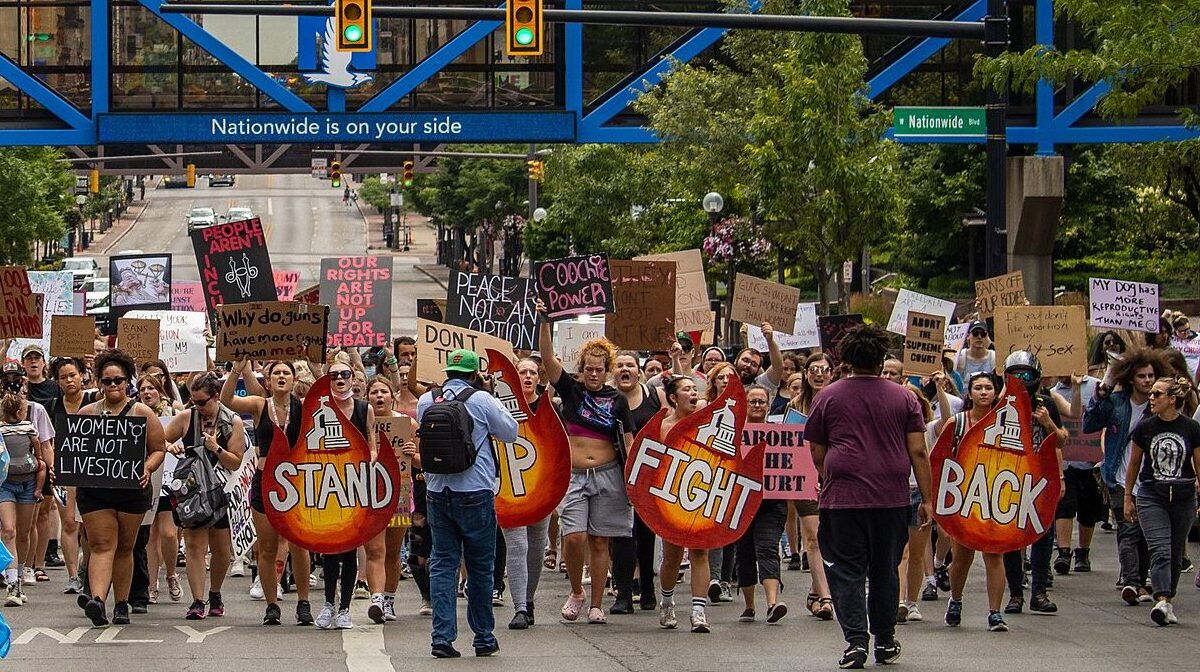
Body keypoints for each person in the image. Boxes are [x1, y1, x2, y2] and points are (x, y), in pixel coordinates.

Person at [805, 325, 932, 669]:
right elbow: (918, 451)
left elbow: (816, 449)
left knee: (846, 570)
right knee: (885, 569)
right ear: (881, 360)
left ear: (846, 360)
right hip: (890, 497)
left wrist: (830, 475)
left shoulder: (827, 397)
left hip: (843, 497)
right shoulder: (904, 397)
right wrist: (928, 499)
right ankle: (885, 639)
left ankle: (856, 641)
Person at [417, 349, 518, 658]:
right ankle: (483, 637)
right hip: (475, 491)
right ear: (475, 374)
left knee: (443, 563)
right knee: (480, 567)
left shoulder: (427, 400)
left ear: (447, 372)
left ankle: (442, 638)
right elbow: (510, 432)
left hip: (437, 490)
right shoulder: (482, 400)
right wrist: (488, 392)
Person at [536, 316, 635, 626]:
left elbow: (628, 442)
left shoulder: (617, 400)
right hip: (575, 476)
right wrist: (545, 323)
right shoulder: (571, 390)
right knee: (574, 538)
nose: (593, 374)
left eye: (599, 370)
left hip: (608, 474)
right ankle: (577, 591)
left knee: (600, 541)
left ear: (607, 371)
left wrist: (634, 478)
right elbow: (548, 359)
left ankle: (596, 604)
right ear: (581, 369)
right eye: (589, 369)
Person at [221, 359, 315, 625]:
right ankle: (272, 604)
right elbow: (226, 401)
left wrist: (317, 367)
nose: (282, 377)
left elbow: (329, 399)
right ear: (268, 381)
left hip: (296, 482)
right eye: (277, 373)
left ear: (294, 380)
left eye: (286, 373)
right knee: (267, 547)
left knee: (298, 544)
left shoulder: (303, 406)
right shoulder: (259, 404)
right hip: (265, 480)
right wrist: (237, 370)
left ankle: (304, 602)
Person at [77, 349, 166, 627]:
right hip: (95, 489)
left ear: (128, 381)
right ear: (99, 383)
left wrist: (147, 467)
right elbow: (73, 449)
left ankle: (122, 603)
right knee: (101, 544)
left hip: (132, 489)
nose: (113, 385)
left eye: (118, 380)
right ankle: (98, 600)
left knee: (125, 546)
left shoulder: (143, 412)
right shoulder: (87, 413)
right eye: (107, 381)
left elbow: (158, 449)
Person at [1084, 349, 1164, 605]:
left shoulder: (1160, 404)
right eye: (1142, 376)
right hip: (1119, 477)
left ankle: (1139, 578)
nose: (1147, 380)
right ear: (1131, 378)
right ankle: (1131, 581)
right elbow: (1089, 423)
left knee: (1145, 532)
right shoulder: (1117, 401)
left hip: (1151, 479)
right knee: (1128, 529)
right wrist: (1102, 392)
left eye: (1151, 375)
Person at [163, 373, 246, 620]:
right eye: (193, 401)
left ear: (216, 397)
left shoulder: (232, 422)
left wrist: (216, 448)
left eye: (202, 402)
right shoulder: (186, 418)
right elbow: (159, 439)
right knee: (194, 546)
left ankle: (215, 593)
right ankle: (198, 600)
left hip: (221, 491)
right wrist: (170, 446)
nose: (197, 406)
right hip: (193, 493)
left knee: (221, 548)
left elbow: (235, 462)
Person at [934, 371, 1011, 632]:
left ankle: (995, 613)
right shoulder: (957, 423)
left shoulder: (1006, 424)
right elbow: (940, 462)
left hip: (995, 498)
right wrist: (942, 505)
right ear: (970, 393)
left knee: (994, 554)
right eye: (978, 387)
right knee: (961, 558)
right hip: (963, 498)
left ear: (995, 392)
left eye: (988, 387)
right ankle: (955, 600)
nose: (983, 392)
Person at [1125, 376, 1200, 625]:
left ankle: (1167, 600)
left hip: (1183, 496)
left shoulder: (1191, 428)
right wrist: (1128, 497)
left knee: (1176, 553)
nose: (1151, 398)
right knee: (1160, 549)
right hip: (1151, 494)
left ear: (1172, 399)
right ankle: (1162, 598)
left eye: (1157, 394)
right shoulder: (1144, 428)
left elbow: (1199, 465)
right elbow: (1134, 464)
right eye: (1151, 393)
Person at [999, 351, 1067, 615]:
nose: (1021, 381)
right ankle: (1015, 593)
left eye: (1025, 375)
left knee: (1042, 535)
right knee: (1011, 539)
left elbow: (1061, 441)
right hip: (1010, 478)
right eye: (1015, 375)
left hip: (1040, 479)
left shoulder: (1045, 404)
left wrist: (1048, 423)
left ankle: (1039, 592)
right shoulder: (1000, 404)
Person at [316, 360, 376, 630]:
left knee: (350, 547)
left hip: (354, 486)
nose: (340, 379)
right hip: (326, 486)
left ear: (353, 378)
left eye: (344, 374)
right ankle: (328, 603)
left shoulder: (364, 409)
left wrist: (368, 460)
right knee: (330, 546)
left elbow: (372, 446)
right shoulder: (320, 409)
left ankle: (344, 609)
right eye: (334, 375)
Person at [652, 375, 715, 633]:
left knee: (700, 552)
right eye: (686, 389)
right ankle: (667, 602)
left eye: (694, 389)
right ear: (673, 397)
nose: (693, 393)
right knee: (672, 557)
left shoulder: (707, 423)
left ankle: (698, 612)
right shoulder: (662, 426)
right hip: (671, 497)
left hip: (701, 495)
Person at [610, 350, 666, 615]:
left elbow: (668, 426)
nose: (625, 369)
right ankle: (623, 592)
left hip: (649, 474)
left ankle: (647, 587)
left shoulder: (655, 396)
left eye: (630, 365)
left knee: (646, 533)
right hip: (614, 472)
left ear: (639, 371)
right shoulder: (607, 399)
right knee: (622, 534)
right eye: (620, 365)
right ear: (613, 372)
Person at [502, 358, 552, 629]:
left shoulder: (548, 407)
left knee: (536, 546)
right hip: (510, 487)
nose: (528, 376)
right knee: (517, 545)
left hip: (541, 486)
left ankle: (528, 600)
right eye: (522, 372)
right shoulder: (501, 407)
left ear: (539, 378)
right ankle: (520, 607)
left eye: (533, 372)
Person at [366, 376, 417, 623]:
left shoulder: (408, 424)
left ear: (392, 396)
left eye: (383, 391)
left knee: (393, 551)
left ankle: (388, 599)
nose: (379, 396)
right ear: (367, 397)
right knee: (375, 549)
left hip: (401, 493)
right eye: (374, 392)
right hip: (370, 493)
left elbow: (423, 462)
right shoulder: (360, 423)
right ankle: (376, 598)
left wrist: (413, 454)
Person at [735, 384, 788, 624]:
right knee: (745, 551)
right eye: (753, 401)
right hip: (741, 503)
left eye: (761, 402)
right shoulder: (734, 433)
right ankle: (749, 606)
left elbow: (794, 464)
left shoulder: (781, 435)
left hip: (772, 504)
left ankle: (772, 604)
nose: (757, 406)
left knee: (767, 548)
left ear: (768, 405)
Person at [786, 353, 834, 618]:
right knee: (813, 537)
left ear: (832, 374)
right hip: (805, 477)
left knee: (831, 537)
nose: (819, 374)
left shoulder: (839, 402)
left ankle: (815, 593)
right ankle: (826, 598)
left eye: (824, 370)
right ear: (806, 374)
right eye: (814, 369)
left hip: (833, 475)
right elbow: (787, 445)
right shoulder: (795, 406)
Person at [47, 357, 96, 597]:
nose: (69, 380)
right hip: (64, 471)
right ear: (57, 381)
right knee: (69, 523)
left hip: (92, 469)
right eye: (63, 377)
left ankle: (87, 569)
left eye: (73, 375)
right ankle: (73, 576)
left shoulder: (93, 401)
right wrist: (52, 464)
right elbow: (47, 441)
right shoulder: (51, 406)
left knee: (88, 526)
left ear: (82, 376)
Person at [0, 365, 48, 607]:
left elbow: (40, 457)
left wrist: (42, 483)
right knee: (8, 531)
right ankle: (12, 585)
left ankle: (20, 573)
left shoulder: (30, 428)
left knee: (24, 532)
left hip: (28, 484)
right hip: (5, 484)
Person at [137, 375, 182, 606]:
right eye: (142, 389)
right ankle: (151, 584)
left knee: (169, 533)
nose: (147, 392)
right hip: (147, 478)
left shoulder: (174, 412)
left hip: (170, 479)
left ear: (160, 390)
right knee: (151, 536)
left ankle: (171, 574)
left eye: (151, 388)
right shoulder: (136, 414)